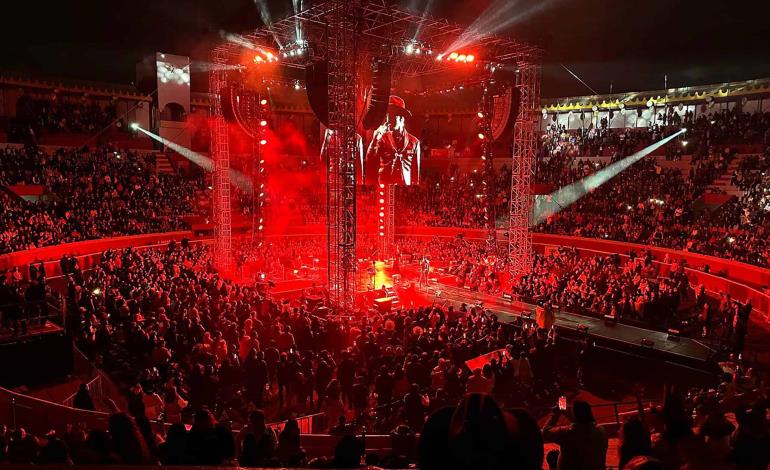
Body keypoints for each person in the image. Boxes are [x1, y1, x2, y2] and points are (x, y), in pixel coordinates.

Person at [366, 95, 421, 186]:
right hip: (385, 186)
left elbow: (415, 172)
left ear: (401, 118)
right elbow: (370, 161)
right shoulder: (381, 138)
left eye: (392, 115)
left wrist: (414, 187)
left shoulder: (414, 142)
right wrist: (375, 138)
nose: (388, 119)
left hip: (404, 187)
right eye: (387, 114)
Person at [542, 399, 608, 470]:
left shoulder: (566, 433)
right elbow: (582, 425)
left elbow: (545, 432)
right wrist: (566, 412)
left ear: (575, 415)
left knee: (552, 456)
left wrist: (556, 414)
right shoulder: (601, 431)